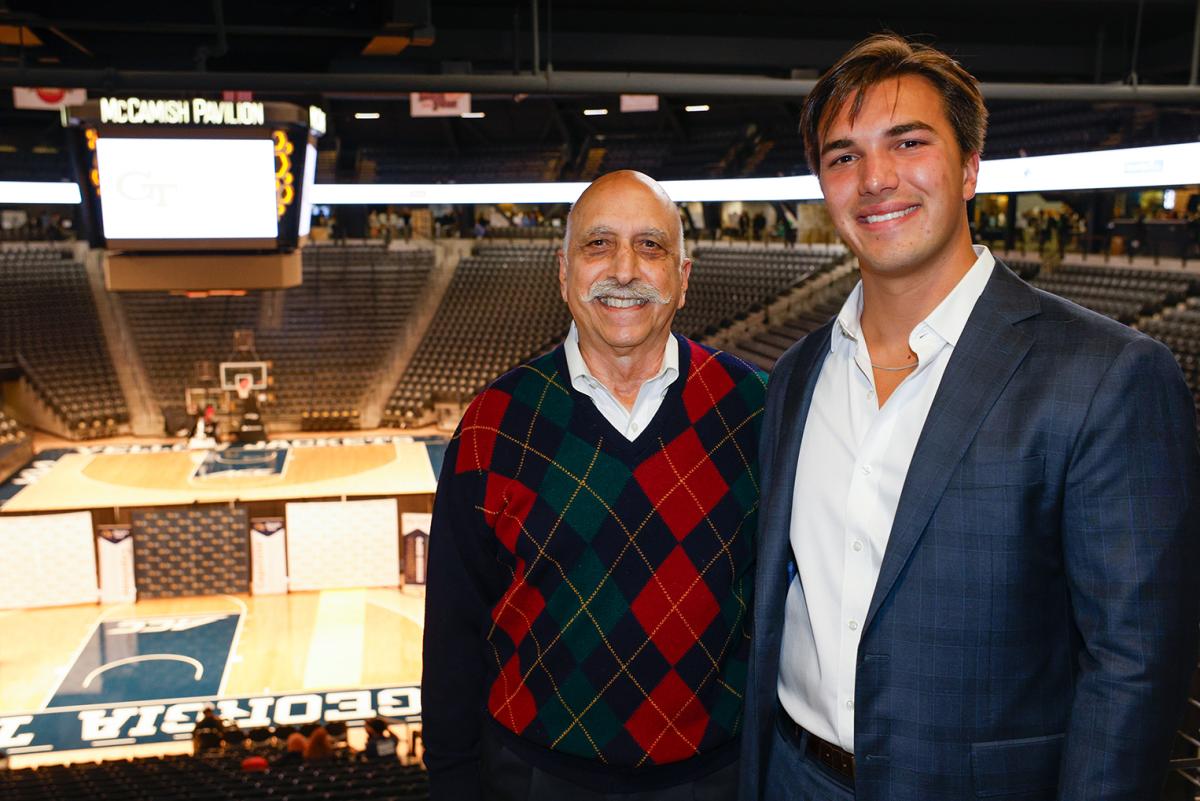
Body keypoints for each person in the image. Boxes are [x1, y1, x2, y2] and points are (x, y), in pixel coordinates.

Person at [740, 33, 1199, 801]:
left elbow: (1134, 666)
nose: (875, 178)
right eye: (843, 155)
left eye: (908, 142)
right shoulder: (795, 376)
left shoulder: (1107, 374)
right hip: (791, 776)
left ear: (970, 167)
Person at [422, 169, 768, 801]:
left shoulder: (754, 409)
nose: (626, 269)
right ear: (564, 272)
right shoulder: (492, 423)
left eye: (652, 246)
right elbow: (453, 630)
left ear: (683, 278)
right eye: (599, 244)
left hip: (716, 777)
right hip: (533, 777)